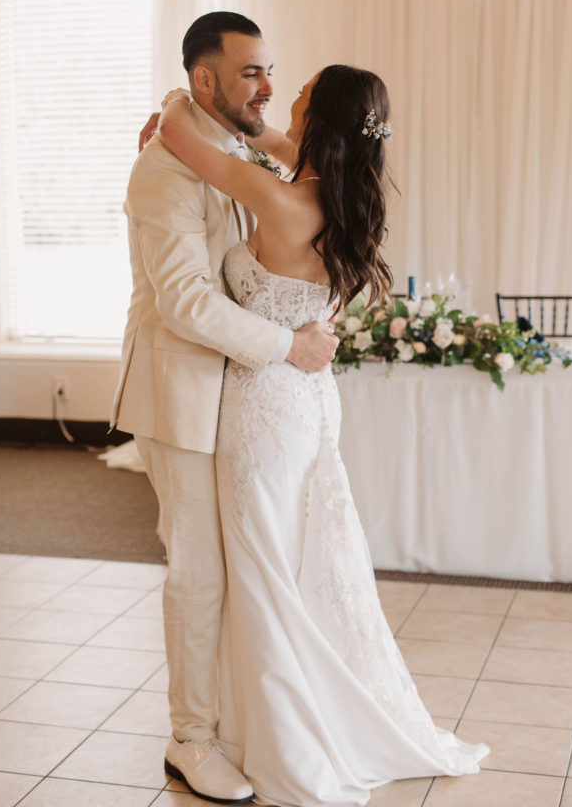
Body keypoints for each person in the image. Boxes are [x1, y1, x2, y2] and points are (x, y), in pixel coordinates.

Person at [156, 65, 489, 806]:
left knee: (265, 573)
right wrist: (252, 124)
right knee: (299, 563)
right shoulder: (333, 196)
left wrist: (181, 99)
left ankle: (284, 742)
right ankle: (292, 720)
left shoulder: (276, 197)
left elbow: (184, 132)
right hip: (308, 403)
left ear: (322, 117)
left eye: (301, 87)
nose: (287, 92)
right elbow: (261, 134)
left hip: (264, 409)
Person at [110, 12, 338, 805]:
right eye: (250, 73)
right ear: (203, 79)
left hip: (248, 401)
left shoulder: (237, 148)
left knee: (253, 570)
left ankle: (240, 721)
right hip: (184, 396)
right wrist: (289, 348)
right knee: (199, 574)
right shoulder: (161, 171)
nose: (267, 87)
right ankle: (190, 742)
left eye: (270, 69)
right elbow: (184, 303)